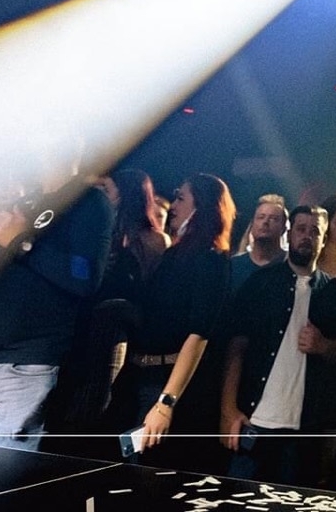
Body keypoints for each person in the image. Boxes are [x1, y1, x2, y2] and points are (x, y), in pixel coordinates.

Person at [0, 142, 114, 451]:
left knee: (8, 470)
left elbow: (84, 278)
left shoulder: (88, 202)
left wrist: (20, 241)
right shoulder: (27, 202)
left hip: (29, 367)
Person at [219, 205, 336, 484]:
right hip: (253, 419)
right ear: (289, 233)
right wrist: (228, 409)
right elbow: (236, 347)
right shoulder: (261, 283)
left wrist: (324, 346)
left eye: (315, 231)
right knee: (237, 497)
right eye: (301, 229)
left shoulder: (335, 292)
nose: (307, 236)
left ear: (324, 238)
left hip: (303, 429)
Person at [122, 173, 234, 469]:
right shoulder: (176, 253)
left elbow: (199, 335)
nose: (173, 205)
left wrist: (166, 402)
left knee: (149, 474)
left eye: (181, 198)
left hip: (165, 382)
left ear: (202, 206)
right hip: (142, 376)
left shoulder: (211, 259)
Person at [231, 194, 288, 295]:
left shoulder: (292, 266)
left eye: (273, 218)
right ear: (252, 224)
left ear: (283, 228)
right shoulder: (233, 266)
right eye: (261, 217)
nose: (265, 222)